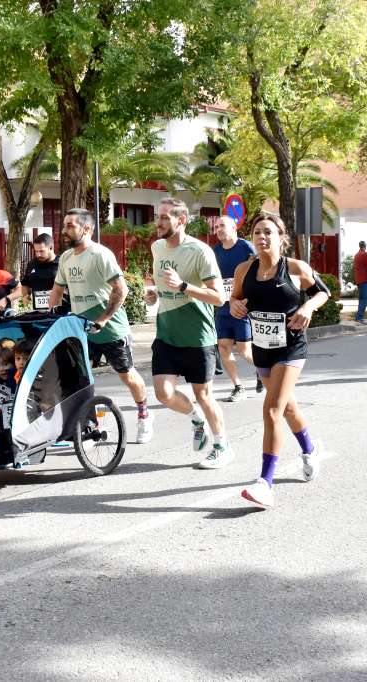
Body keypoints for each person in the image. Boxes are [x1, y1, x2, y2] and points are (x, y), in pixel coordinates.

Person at [228, 213, 330, 509]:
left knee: (272, 409)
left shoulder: (296, 268)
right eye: (257, 232)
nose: (262, 237)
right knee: (287, 407)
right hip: (262, 349)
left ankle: (265, 484)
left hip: (291, 348)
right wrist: (235, 306)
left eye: (268, 232)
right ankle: (310, 449)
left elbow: (322, 293)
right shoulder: (244, 270)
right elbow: (236, 299)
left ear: (280, 237)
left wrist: (309, 306)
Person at [49, 208, 154, 443]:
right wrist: (49, 316)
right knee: (79, 378)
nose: (64, 230)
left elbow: (121, 289)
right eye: (64, 225)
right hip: (81, 329)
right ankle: (90, 423)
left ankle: (144, 414)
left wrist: (103, 319)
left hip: (110, 328)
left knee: (126, 375)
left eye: (70, 226)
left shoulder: (100, 255)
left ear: (86, 229)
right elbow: (57, 290)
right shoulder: (65, 258)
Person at [144, 197, 233, 468]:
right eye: (157, 217)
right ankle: (196, 418)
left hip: (198, 336)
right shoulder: (157, 247)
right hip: (167, 334)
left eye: (164, 218)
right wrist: (154, 295)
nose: (158, 223)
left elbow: (219, 298)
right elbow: (164, 288)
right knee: (163, 393)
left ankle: (222, 446)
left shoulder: (200, 251)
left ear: (181, 220)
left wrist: (184, 286)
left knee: (204, 395)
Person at [212, 215, 262, 402]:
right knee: (224, 347)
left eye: (222, 225)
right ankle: (238, 386)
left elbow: (259, 270)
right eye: (217, 226)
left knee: (244, 350)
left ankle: (262, 369)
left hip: (242, 306)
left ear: (234, 228)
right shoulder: (215, 251)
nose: (218, 229)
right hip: (223, 307)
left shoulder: (246, 247)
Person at [20, 233, 65, 312]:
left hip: (60, 311)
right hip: (38, 312)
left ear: (51, 248)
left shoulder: (62, 263)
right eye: (36, 251)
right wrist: (25, 296)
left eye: (41, 251)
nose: (38, 255)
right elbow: (25, 283)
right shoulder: (32, 264)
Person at [351, 242, 367, 324]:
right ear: (365, 246)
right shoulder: (364, 255)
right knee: (365, 299)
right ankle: (359, 317)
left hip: (358, 279)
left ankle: (358, 317)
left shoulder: (356, 255)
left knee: (361, 299)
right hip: (364, 279)